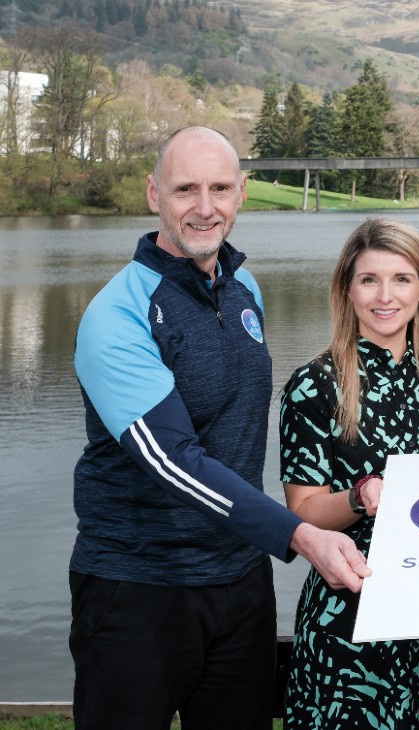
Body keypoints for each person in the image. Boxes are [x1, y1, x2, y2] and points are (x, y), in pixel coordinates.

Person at [70, 125, 371, 730]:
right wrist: (299, 536)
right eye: (185, 189)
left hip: (240, 582)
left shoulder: (243, 289)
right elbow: (174, 462)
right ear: (154, 194)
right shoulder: (116, 315)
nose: (204, 208)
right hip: (138, 587)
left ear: (242, 193)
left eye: (220, 188)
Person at [278, 218, 419, 729]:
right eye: (369, 279)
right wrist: (361, 495)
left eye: (402, 279)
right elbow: (301, 513)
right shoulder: (313, 386)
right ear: (347, 290)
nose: (384, 295)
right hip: (351, 623)